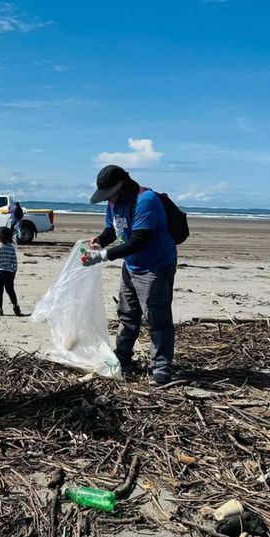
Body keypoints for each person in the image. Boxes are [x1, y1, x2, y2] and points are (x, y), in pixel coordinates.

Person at [80, 164, 177, 384]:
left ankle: (162, 367)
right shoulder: (114, 203)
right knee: (127, 314)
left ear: (122, 186)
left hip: (155, 266)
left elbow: (138, 240)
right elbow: (113, 229)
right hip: (131, 266)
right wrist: (100, 241)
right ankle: (122, 358)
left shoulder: (147, 201)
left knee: (156, 317)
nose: (108, 200)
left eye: (110, 194)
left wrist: (103, 256)